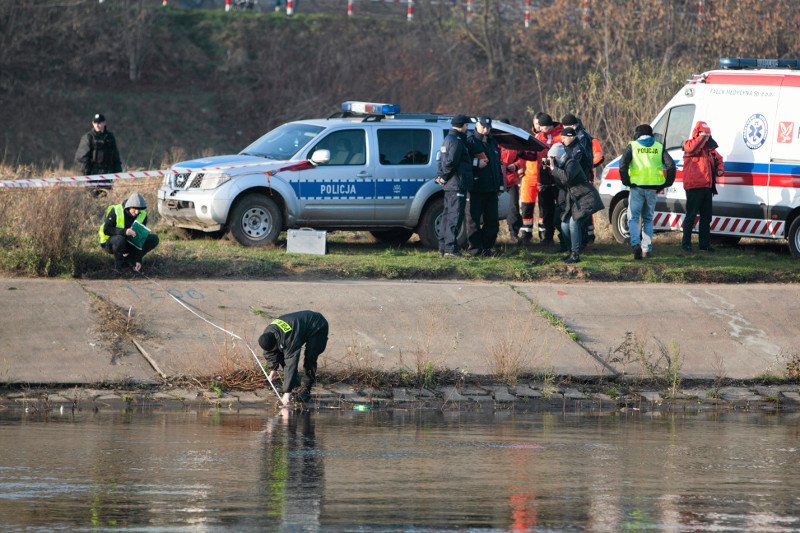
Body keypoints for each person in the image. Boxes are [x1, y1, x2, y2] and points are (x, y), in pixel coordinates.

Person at [618, 124, 676, 259]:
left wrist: (626, 181)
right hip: (652, 189)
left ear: (638, 134)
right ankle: (646, 249)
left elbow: (622, 165)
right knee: (648, 219)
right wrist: (667, 183)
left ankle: (635, 244)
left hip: (637, 187)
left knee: (633, 218)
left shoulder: (633, 146)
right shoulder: (659, 147)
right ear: (651, 134)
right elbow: (671, 165)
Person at [548, 142, 604, 263]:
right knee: (564, 224)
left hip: (587, 198)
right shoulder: (562, 166)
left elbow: (567, 177)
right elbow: (562, 184)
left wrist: (554, 169)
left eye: (552, 158)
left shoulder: (571, 163)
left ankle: (575, 254)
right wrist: (552, 171)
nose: (551, 160)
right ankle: (569, 251)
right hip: (576, 199)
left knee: (574, 223)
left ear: (557, 156)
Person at [259, 311, 329, 405]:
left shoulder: (289, 339)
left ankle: (305, 390)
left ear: (276, 341)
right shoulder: (268, 333)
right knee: (281, 353)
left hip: (317, 325)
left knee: (310, 358)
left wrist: (286, 393)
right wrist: (273, 370)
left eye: (273, 348)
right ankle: (295, 386)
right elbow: (270, 353)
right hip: (300, 326)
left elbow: (291, 364)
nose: (272, 350)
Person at [682, 121, 724, 252]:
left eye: (708, 134)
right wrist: (703, 137)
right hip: (694, 186)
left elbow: (719, 159)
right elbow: (692, 148)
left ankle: (704, 245)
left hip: (707, 187)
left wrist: (720, 169)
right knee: (691, 216)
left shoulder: (709, 150)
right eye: (704, 133)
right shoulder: (689, 144)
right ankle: (686, 244)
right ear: (697, 133)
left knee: (706, 217)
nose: (706, 136)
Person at [465, 116, 504, 256]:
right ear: (477, 125)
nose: (486, 130)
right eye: (483, 127)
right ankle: (475, 250)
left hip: (491, 189)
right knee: (473, 221)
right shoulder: (470, 141)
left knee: (492, 222)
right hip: (476, 188)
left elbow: (497, 165)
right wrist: (476, 163)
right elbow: (464, 162)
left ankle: (487, 248)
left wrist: (500, 185)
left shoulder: (492, 142)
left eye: (488, 127)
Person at [436, 114, 473, 258]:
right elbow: (451, 163)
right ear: (462, 125)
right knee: (455, 217)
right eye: (466, 125)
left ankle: (443, 247)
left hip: (450, 186)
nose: (467, 127)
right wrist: (444, 177)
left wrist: (440, 176)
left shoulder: (447, 139)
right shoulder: (457, 141)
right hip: (456, 184)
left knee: (446, 216)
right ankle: (451, 249)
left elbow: (440, 160)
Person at [98, 192, 159, 272]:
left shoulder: (143, 215)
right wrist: (125, 231)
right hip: (110, 243)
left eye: (139, 210)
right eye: (135, 209)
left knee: (153, 239)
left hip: (129, 243)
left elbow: (140, 240)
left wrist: (138, 260)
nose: (137, 212)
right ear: (129, 206)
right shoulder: (116, 210)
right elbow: (106, 230)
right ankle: (119, 266)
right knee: (119, 240)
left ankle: (130, 261)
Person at [534, 114, 563, 246]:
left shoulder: (560, 135)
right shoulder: (539, 136)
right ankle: (548, 237)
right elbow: (534, 156)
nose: (541, 130)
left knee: (561, 208)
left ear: (549, 126)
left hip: (558, 178)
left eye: (543, 127)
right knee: (545, 209)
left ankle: (564, 236)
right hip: (543, 178)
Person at [75, 113, 122, 191]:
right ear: (92, 123)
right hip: (93, 175)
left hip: (108, 174)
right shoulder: (88, 137)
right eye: (95, 122)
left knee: (106, 199)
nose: (97, 125)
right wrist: (87, 173)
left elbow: (115, 154)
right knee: (92, 199)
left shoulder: (110, 137)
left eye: (99, 122)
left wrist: (117, 169)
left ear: (104, 123)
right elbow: (81, 157)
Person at [518, 113, 546, 243]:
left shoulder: (547, 138)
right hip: (528, 177)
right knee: (527, 206)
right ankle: (526, 233)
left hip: (542, 177)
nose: (539, 126)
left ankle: (543, 233)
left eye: (540, 123)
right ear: (533, 124)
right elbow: (521, 157)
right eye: (536, 123)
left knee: (544, 206)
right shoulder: (528, 138)